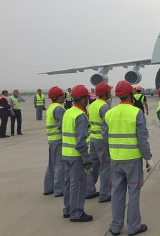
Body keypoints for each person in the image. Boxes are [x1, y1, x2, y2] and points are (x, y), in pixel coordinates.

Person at [102, 80, 152, 236]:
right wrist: (148, 157)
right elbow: (142, 138)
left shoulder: (109, 113)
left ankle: (116, 226)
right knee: (134, 192)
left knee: (117, 192)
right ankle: (133, 226)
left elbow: (105, 136)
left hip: (116, 159)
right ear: (131, 94)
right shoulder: (137, 113)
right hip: (133, 159)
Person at [61, 84, 93, 222]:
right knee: (78, 184)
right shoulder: (80, 116)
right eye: (87, 98)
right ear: (83, 98)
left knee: (69, 184)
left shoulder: (68, 111)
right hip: (76, 156)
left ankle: (68, 209)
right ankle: (77, 213)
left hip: (66, 154)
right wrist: (86, 159)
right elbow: (80, 142)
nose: (88, 100)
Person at [86, 82, 113, 202]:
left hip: (92, 139)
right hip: (102, 140)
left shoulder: (92, 105)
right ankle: (105, 193)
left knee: (93, 166)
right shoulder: (105, 107)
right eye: (109, 91)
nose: (111, 92)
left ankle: (89, 190)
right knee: (105, 167)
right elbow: (107, 125)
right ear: (106, 93)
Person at [44, 86, 66, 197]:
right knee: (60, 165)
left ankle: (48, 188)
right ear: (58, 97)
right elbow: (63, 126)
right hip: (58, 140)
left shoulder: (51, 108)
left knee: (52, 165)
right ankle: (59, 189)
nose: (64, 97)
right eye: (62, 95)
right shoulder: (59, 108)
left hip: (52, 140)